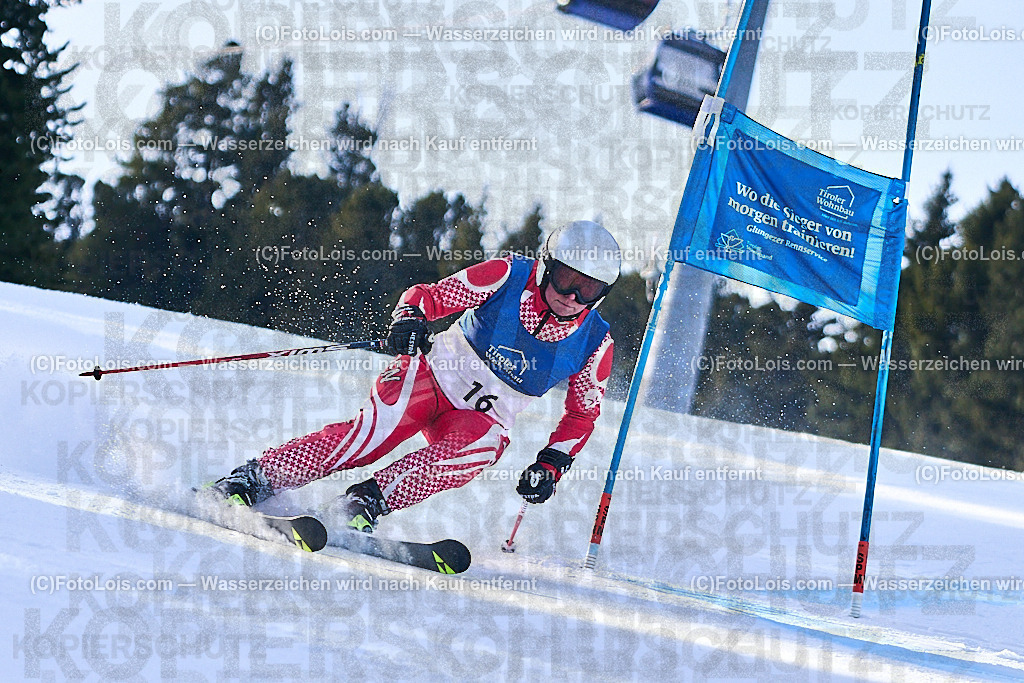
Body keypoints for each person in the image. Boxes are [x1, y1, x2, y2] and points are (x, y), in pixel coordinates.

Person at [206, 220, 619, 533]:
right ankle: (253, 479)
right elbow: (432, 295)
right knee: (369, 438)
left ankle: (362, 504)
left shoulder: (595, 344)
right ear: (548, 266)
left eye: (588, 290)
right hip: (429, 377)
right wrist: (411, 316)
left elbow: (582, 415)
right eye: (566, 280)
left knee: (477, 451)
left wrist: (550, 466)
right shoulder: (507, 275)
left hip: (481, 417)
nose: (571, 297)